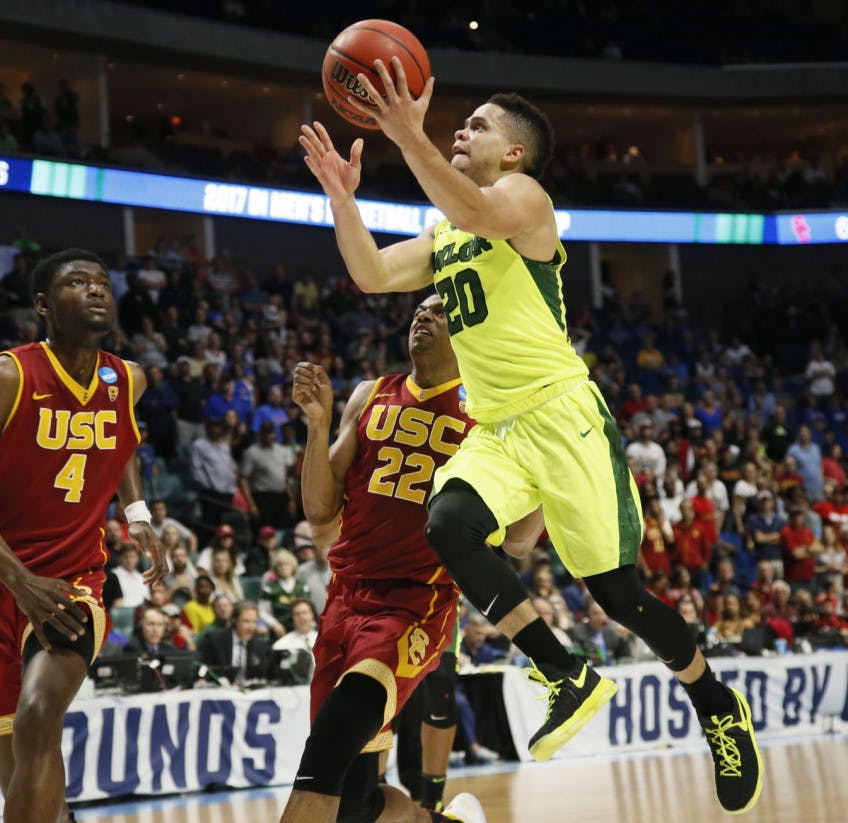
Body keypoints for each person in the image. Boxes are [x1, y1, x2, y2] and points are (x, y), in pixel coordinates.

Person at [299, 70, 761, 815]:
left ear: (514, 153)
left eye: (476, 125)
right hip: (501, 426)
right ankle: (562, 670)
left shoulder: (523, 201)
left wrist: (402, 131)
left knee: (618, 594)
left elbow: (475, 208)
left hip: (563, 418)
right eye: (460, 124)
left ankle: (715, 704)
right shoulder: (449, 231)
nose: (458, 131)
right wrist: (342, 196)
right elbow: (373, 272)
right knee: (447, 521)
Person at [0, 248, 167, 823]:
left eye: (103, 283)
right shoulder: (3, 377)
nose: (96, 290)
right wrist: (19, 582)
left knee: (41, 716)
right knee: (27, 785)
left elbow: (124, 440)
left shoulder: (127, 378)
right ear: (43, 305)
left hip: (73, 585)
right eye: (77, 283)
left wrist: (136, 511)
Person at [282, 294, 522, 823]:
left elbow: (521, 539)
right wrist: (317, 426)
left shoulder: (489, 412)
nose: (423, 315)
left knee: (320, 764)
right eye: (420, 309)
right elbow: (321, 511)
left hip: (413, 606)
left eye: (440, 311)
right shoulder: (371, 394)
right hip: (343, 600)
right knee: (356, 804)